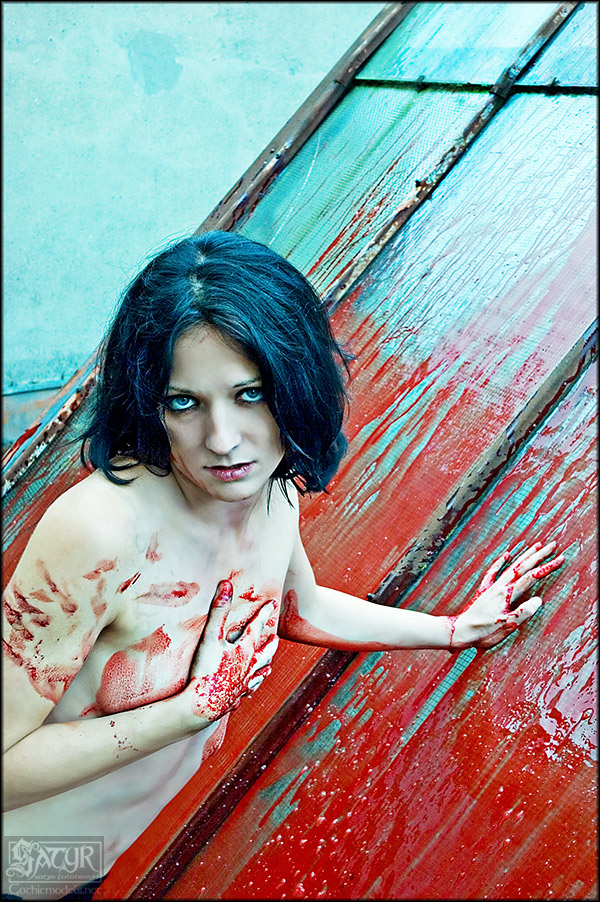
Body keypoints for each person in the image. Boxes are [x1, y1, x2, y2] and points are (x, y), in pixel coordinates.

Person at [2, 230, 564, 899]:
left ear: (296, 383)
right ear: (149, 401)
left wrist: (454, 630)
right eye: (185, 402)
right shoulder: (101, 532)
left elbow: (299, 607)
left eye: (250, 394)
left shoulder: (273, 488)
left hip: (80, 866)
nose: (223, 439)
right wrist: (190, 712)